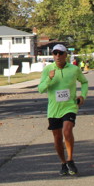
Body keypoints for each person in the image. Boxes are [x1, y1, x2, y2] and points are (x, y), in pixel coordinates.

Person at [38, 43, 88, 176]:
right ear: (53, 55)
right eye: (55, 53)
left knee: (67, 130)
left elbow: (84, 82)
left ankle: (70, 160)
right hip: (54, 109)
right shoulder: (48, 70)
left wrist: (83, 96)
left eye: (60, 53)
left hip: (70, 106)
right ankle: (63, 163)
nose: (58, 56)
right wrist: (49, 78)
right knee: (57, 137)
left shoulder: (74, 69)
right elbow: (41, 89)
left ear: (66, 55)